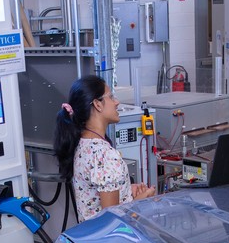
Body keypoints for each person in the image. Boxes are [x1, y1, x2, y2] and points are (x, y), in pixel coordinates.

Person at [53, 76, 155, 222]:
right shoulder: (105, 155)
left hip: (90, 238)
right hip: (111, 242)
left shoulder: (82, 144)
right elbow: (111, 222)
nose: (117, 102)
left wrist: (126, 191)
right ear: (97, 104)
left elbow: (94, 197)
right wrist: (141, 199)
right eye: (111, 97)